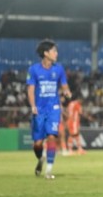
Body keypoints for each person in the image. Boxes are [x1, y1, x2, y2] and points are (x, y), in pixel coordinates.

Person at [26, 40, 72, 179]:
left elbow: (64, 85)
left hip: (53, 108)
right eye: (54, 51)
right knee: (37, 144)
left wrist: (67, 92)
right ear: (46, 53)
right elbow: (30, 90)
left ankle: (49, 170)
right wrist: (33, 106)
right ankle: (40, 159)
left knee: (52, 136)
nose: (56, 53)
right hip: (39, 109)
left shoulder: (59, 69)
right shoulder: (33, 69)